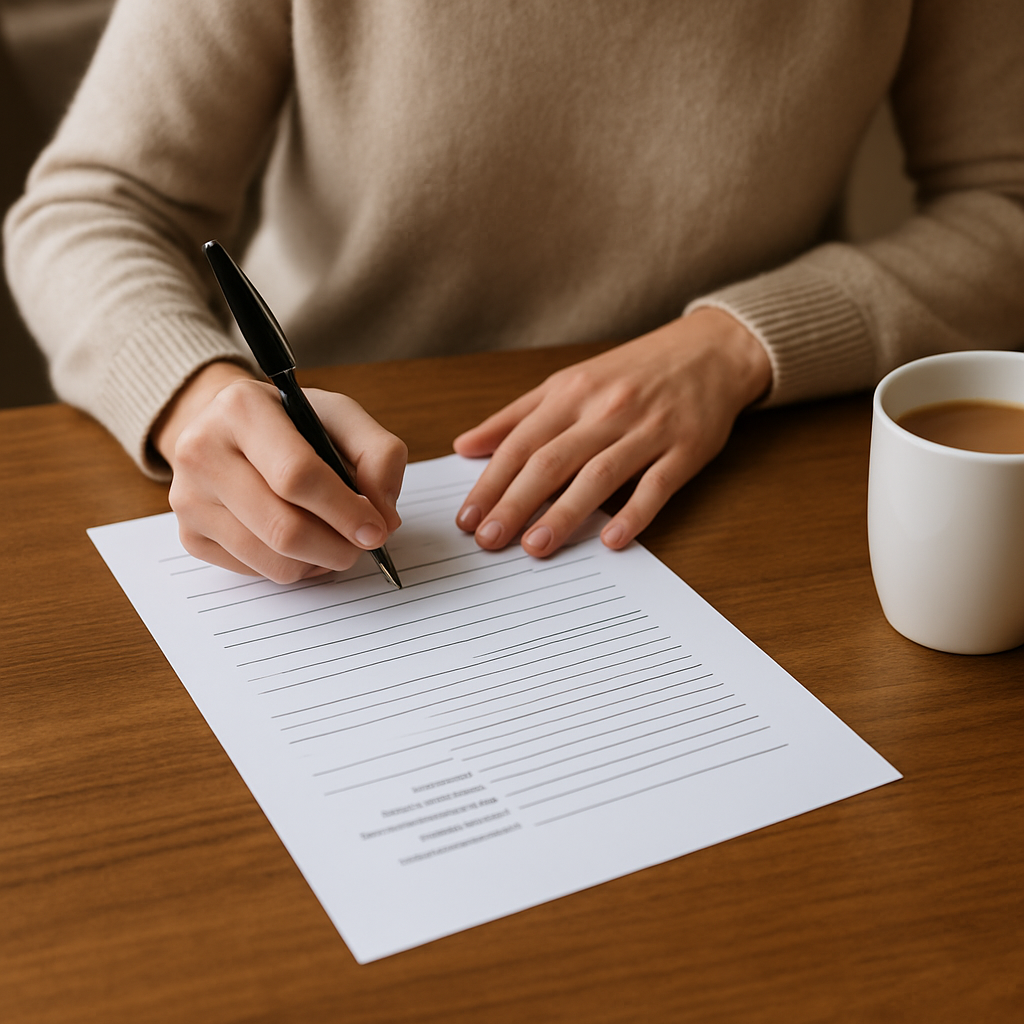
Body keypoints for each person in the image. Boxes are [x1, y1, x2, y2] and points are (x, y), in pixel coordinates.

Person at [5, 0, 1023, 585]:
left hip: (751, 476)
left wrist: (737, 343)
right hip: (362, 461)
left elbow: (1004, 198)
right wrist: (195, 394)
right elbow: (91, 205)